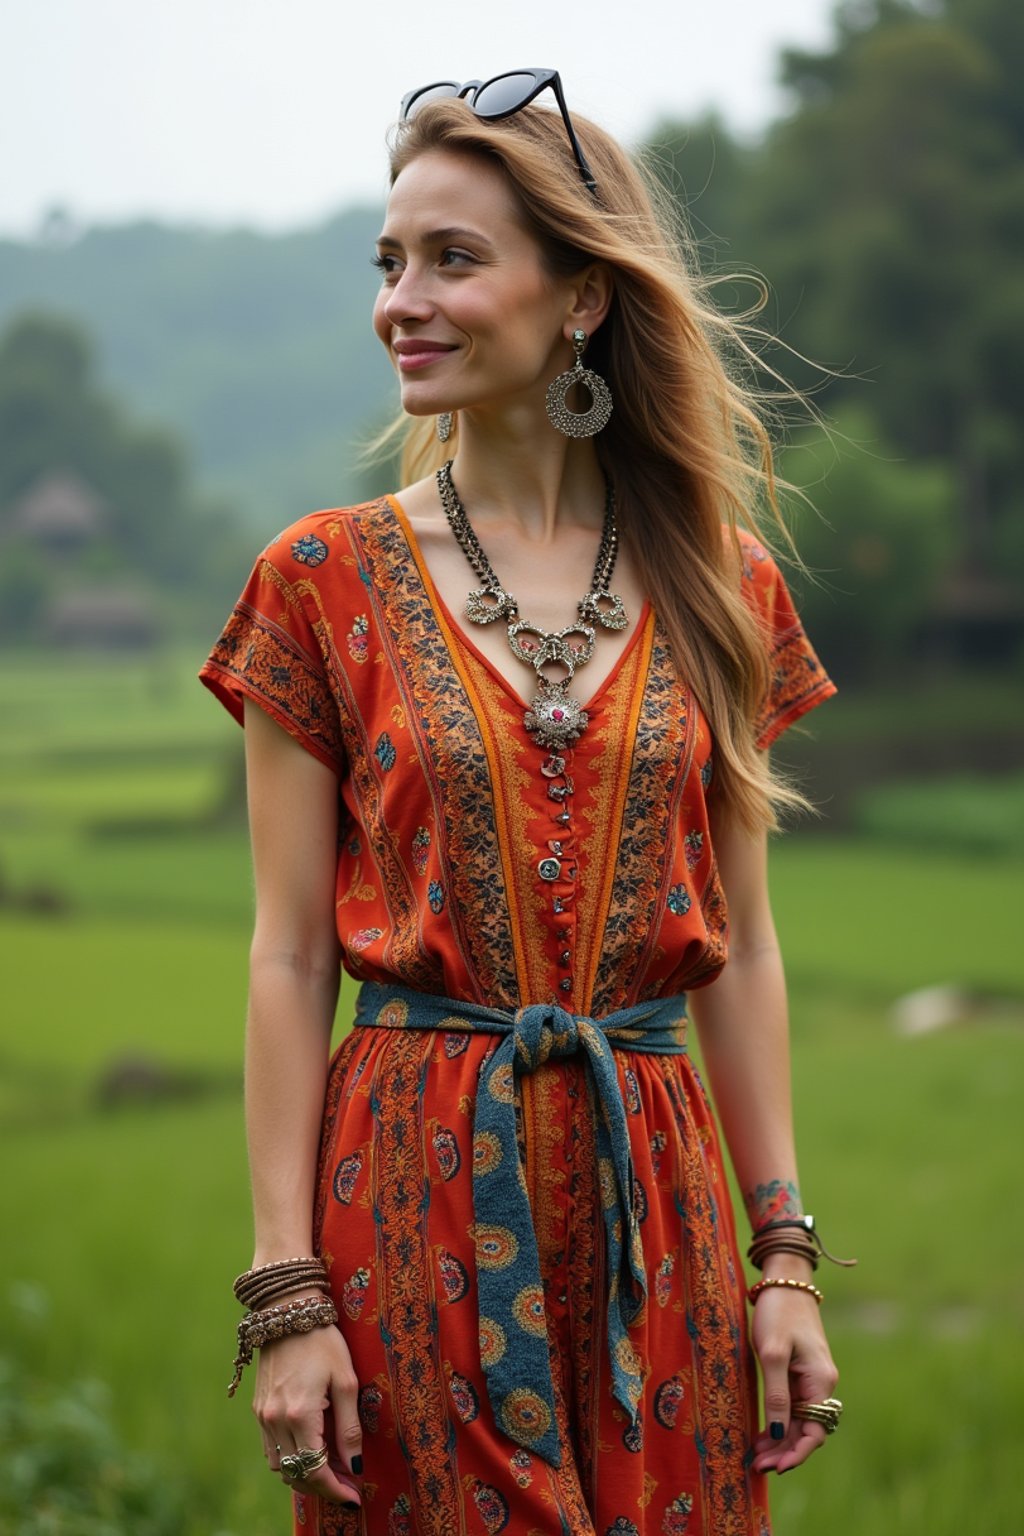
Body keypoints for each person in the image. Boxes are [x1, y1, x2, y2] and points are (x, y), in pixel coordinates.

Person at [200, 70, 849, 1536]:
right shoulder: (320, 581)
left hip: (659, 1204)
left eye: (451, 259)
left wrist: (785, 1261)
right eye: (388, 262)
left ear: (578, 300)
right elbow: (292, 956)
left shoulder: (722, 582)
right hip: (411, 1195)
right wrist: (286, 1291)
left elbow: (741, 945)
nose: (401, 303)